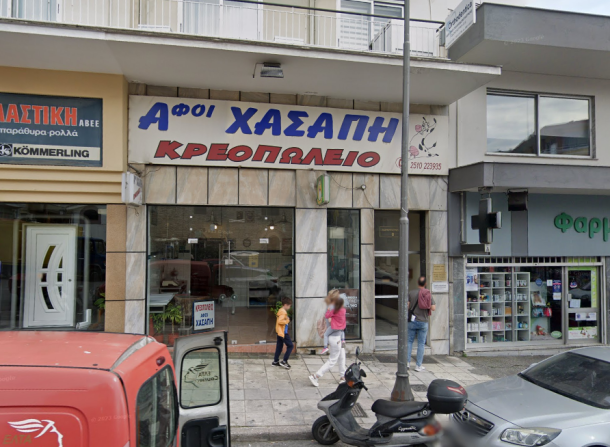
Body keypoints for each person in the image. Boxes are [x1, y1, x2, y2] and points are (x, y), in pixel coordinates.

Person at [309, 297, 347, 386]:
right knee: (332, 360)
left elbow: (328, 317)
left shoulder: (333, 310)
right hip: (336, 338)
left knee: (342, 357)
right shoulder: (341, 310)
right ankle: (316, 376)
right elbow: (329, 320)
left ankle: (343, 376)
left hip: (338, 337)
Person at [407, 276, 436, 372]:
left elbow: (408, 306)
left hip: (412, 321)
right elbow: (433, 308)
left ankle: (407, 363)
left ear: (417, 282)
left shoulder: (411, 293)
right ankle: (418, 365)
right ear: (426, 283)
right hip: (423, 321)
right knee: (421, 344)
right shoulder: (428, 293)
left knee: (409, 341)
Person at [272, 297, 293, 369]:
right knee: (290, 346)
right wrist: (287, 320)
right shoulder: (283, 312)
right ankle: (284, 361)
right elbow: (280, 321)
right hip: (283, 332)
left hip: (279, 332)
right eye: (289, 306)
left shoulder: (281, 310)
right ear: (286, 305)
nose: (289, 307)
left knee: (279, 346)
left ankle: (275, 361)